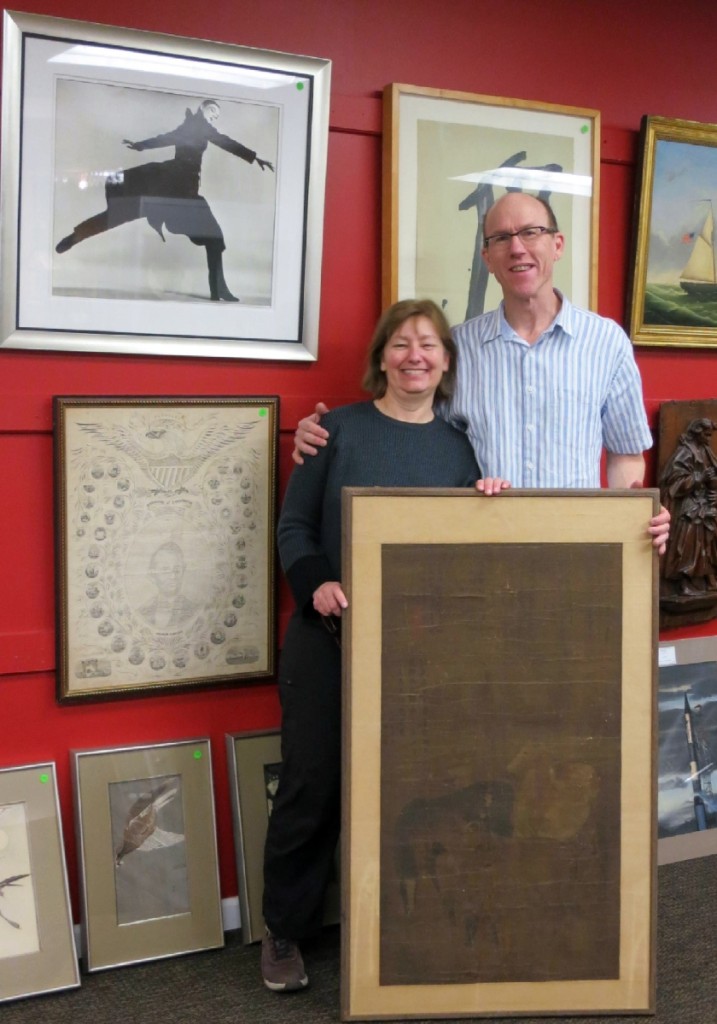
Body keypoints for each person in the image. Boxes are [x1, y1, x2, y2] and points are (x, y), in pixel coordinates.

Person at [261, 298, 507, 994]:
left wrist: (485, 502)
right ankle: (285, 932)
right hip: (327, 640)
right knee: (312, 784)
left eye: (428, 344)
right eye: (401, 344)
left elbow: (466, 557)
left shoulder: (459, 448)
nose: (414, 356)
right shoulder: (332, 432)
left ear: (447, 362)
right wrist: (316, 586)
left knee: (414, 788)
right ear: (382, 357)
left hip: (420, 653)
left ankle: (399, 924)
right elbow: (293, 529)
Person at [292, 192, 670, 550]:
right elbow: (411, 428)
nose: (517, 247)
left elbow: (625, 453)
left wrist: (638, 511)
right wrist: (325, 438)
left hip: (579, 549)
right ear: (487, 258)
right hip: (475, 553)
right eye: (502, 238)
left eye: (531, 232)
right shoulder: (459, 348)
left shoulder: (606, 342)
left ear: (557, 245)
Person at [55, 99, 274, 303]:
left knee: (120, 215)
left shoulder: (190, 126)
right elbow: (225, 142)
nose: (214, 118)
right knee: (214, 237)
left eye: (217, 117)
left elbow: (167, 138)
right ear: (202, 108)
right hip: (179, 192)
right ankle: (219, 289)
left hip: (170, 188)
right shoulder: (199, 127)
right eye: (212, 112)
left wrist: (141, 145)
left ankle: (77, 235)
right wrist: (254, 158)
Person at [659, 418, 717, 596]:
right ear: (697, 432)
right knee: (691, 543)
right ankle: (685, 580)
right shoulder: (685, 452)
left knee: (708, 540)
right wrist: (700, 478)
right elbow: (674, 483)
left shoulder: (706, 450)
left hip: (705, 502)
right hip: (688, 507)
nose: (709, 438)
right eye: (706, 434)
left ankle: (707, 576)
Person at [138, 540, 197, 630]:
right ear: (153, 575)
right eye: (165, 570)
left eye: (177, 570)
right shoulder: (142, 613)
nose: (173, 576)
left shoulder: (194, 611)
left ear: (183, 571)